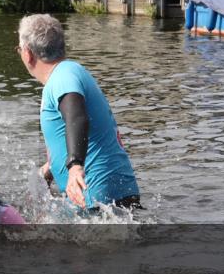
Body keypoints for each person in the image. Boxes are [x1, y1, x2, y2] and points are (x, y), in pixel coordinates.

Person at [17, 14, 140, 211]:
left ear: (27, 53)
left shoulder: (62, 77)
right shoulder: (70, 72)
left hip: (95, 193)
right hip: (115, 190)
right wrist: (50, 170)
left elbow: (76, 117)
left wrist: (75, 166)